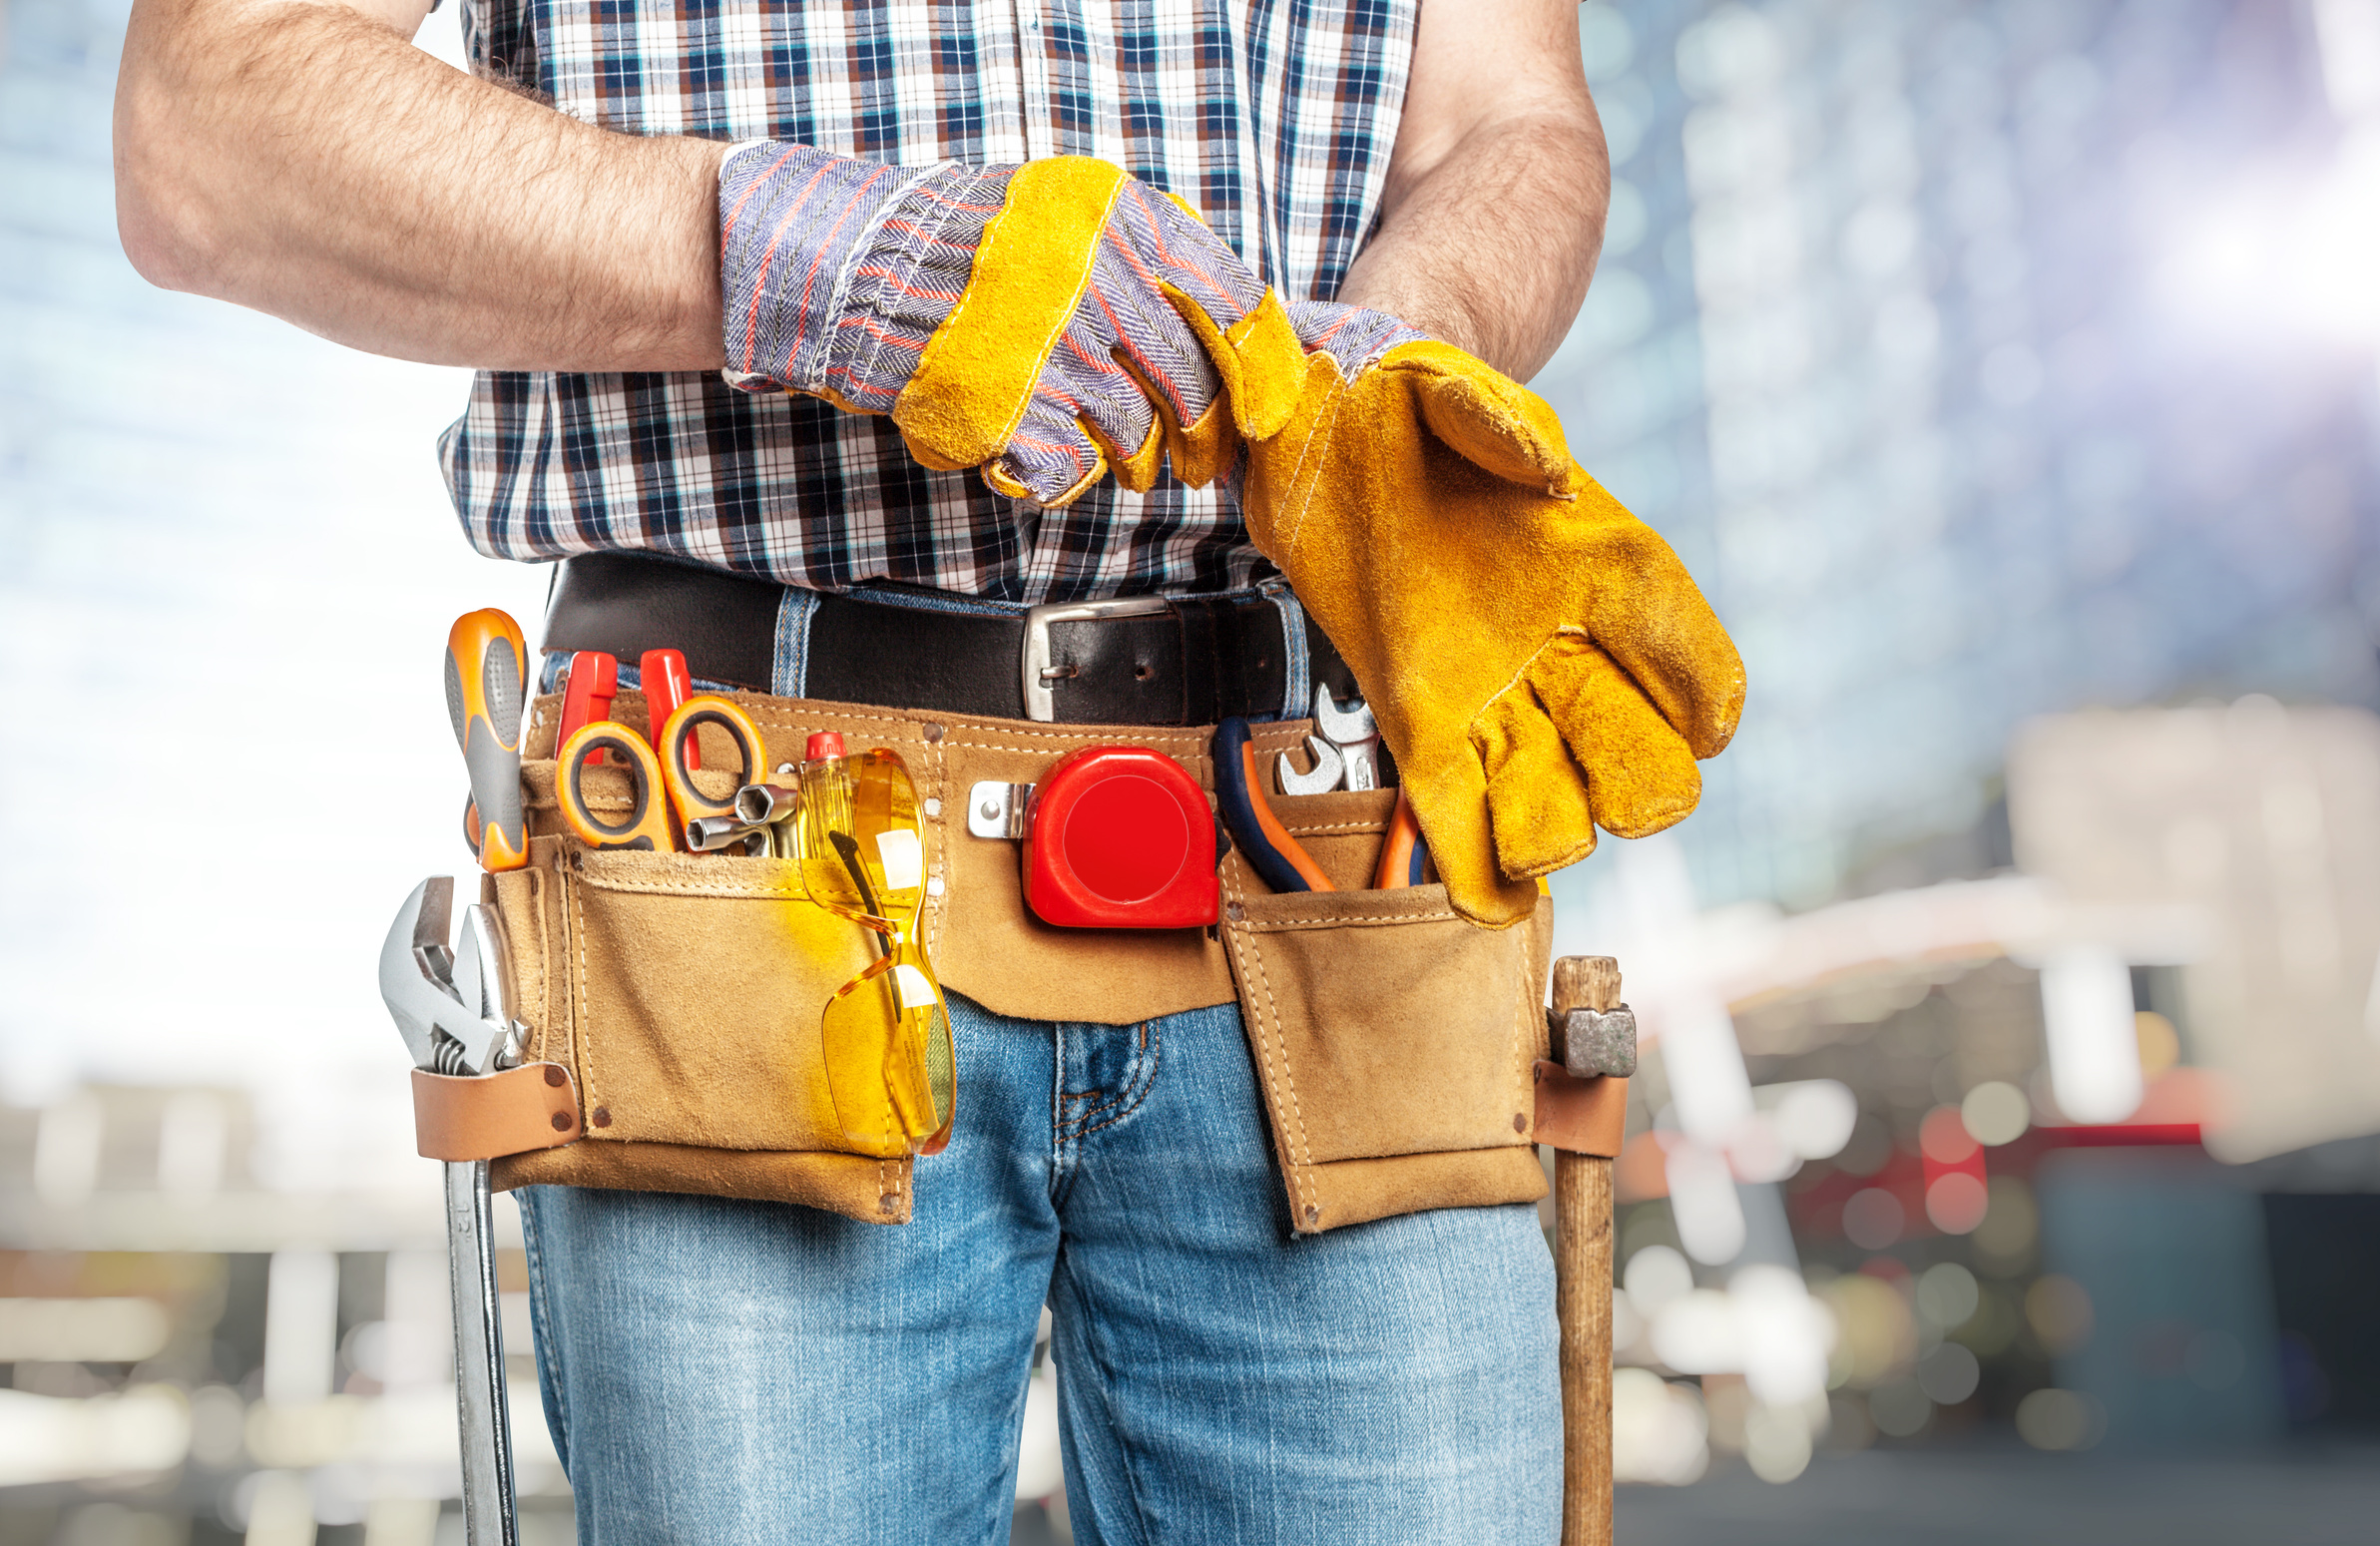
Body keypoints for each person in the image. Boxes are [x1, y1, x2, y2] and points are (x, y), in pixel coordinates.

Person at [117, 0, 1736, 1538]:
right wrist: (805, 256)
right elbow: (208, 125)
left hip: (1332, 854)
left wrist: (1377, 379)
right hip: (744, 860)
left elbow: (1508, 121)